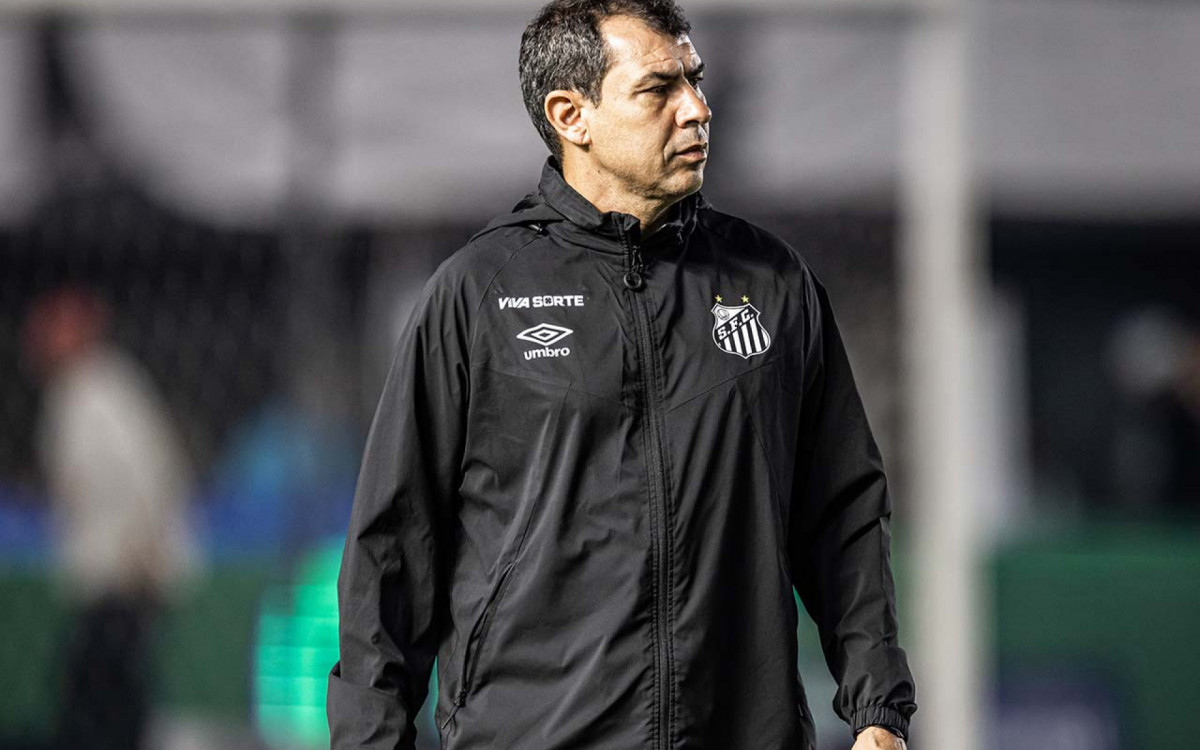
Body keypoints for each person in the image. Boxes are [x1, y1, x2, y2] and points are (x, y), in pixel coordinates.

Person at [327, 1, 917, 748]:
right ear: (571, 115)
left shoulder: (773, 283)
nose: (696, 109)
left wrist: (877, 710)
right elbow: (392, 551)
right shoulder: (477, 295)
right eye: (658, 88)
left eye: (695, 80)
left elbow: (842, 514)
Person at [23, 286, 200, 750]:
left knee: (95, 705)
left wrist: (141, 559)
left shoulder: (96, 393)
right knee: (108, 700)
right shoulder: (88, 390)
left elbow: (147, 481)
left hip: (121, 581)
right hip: (117, 581)